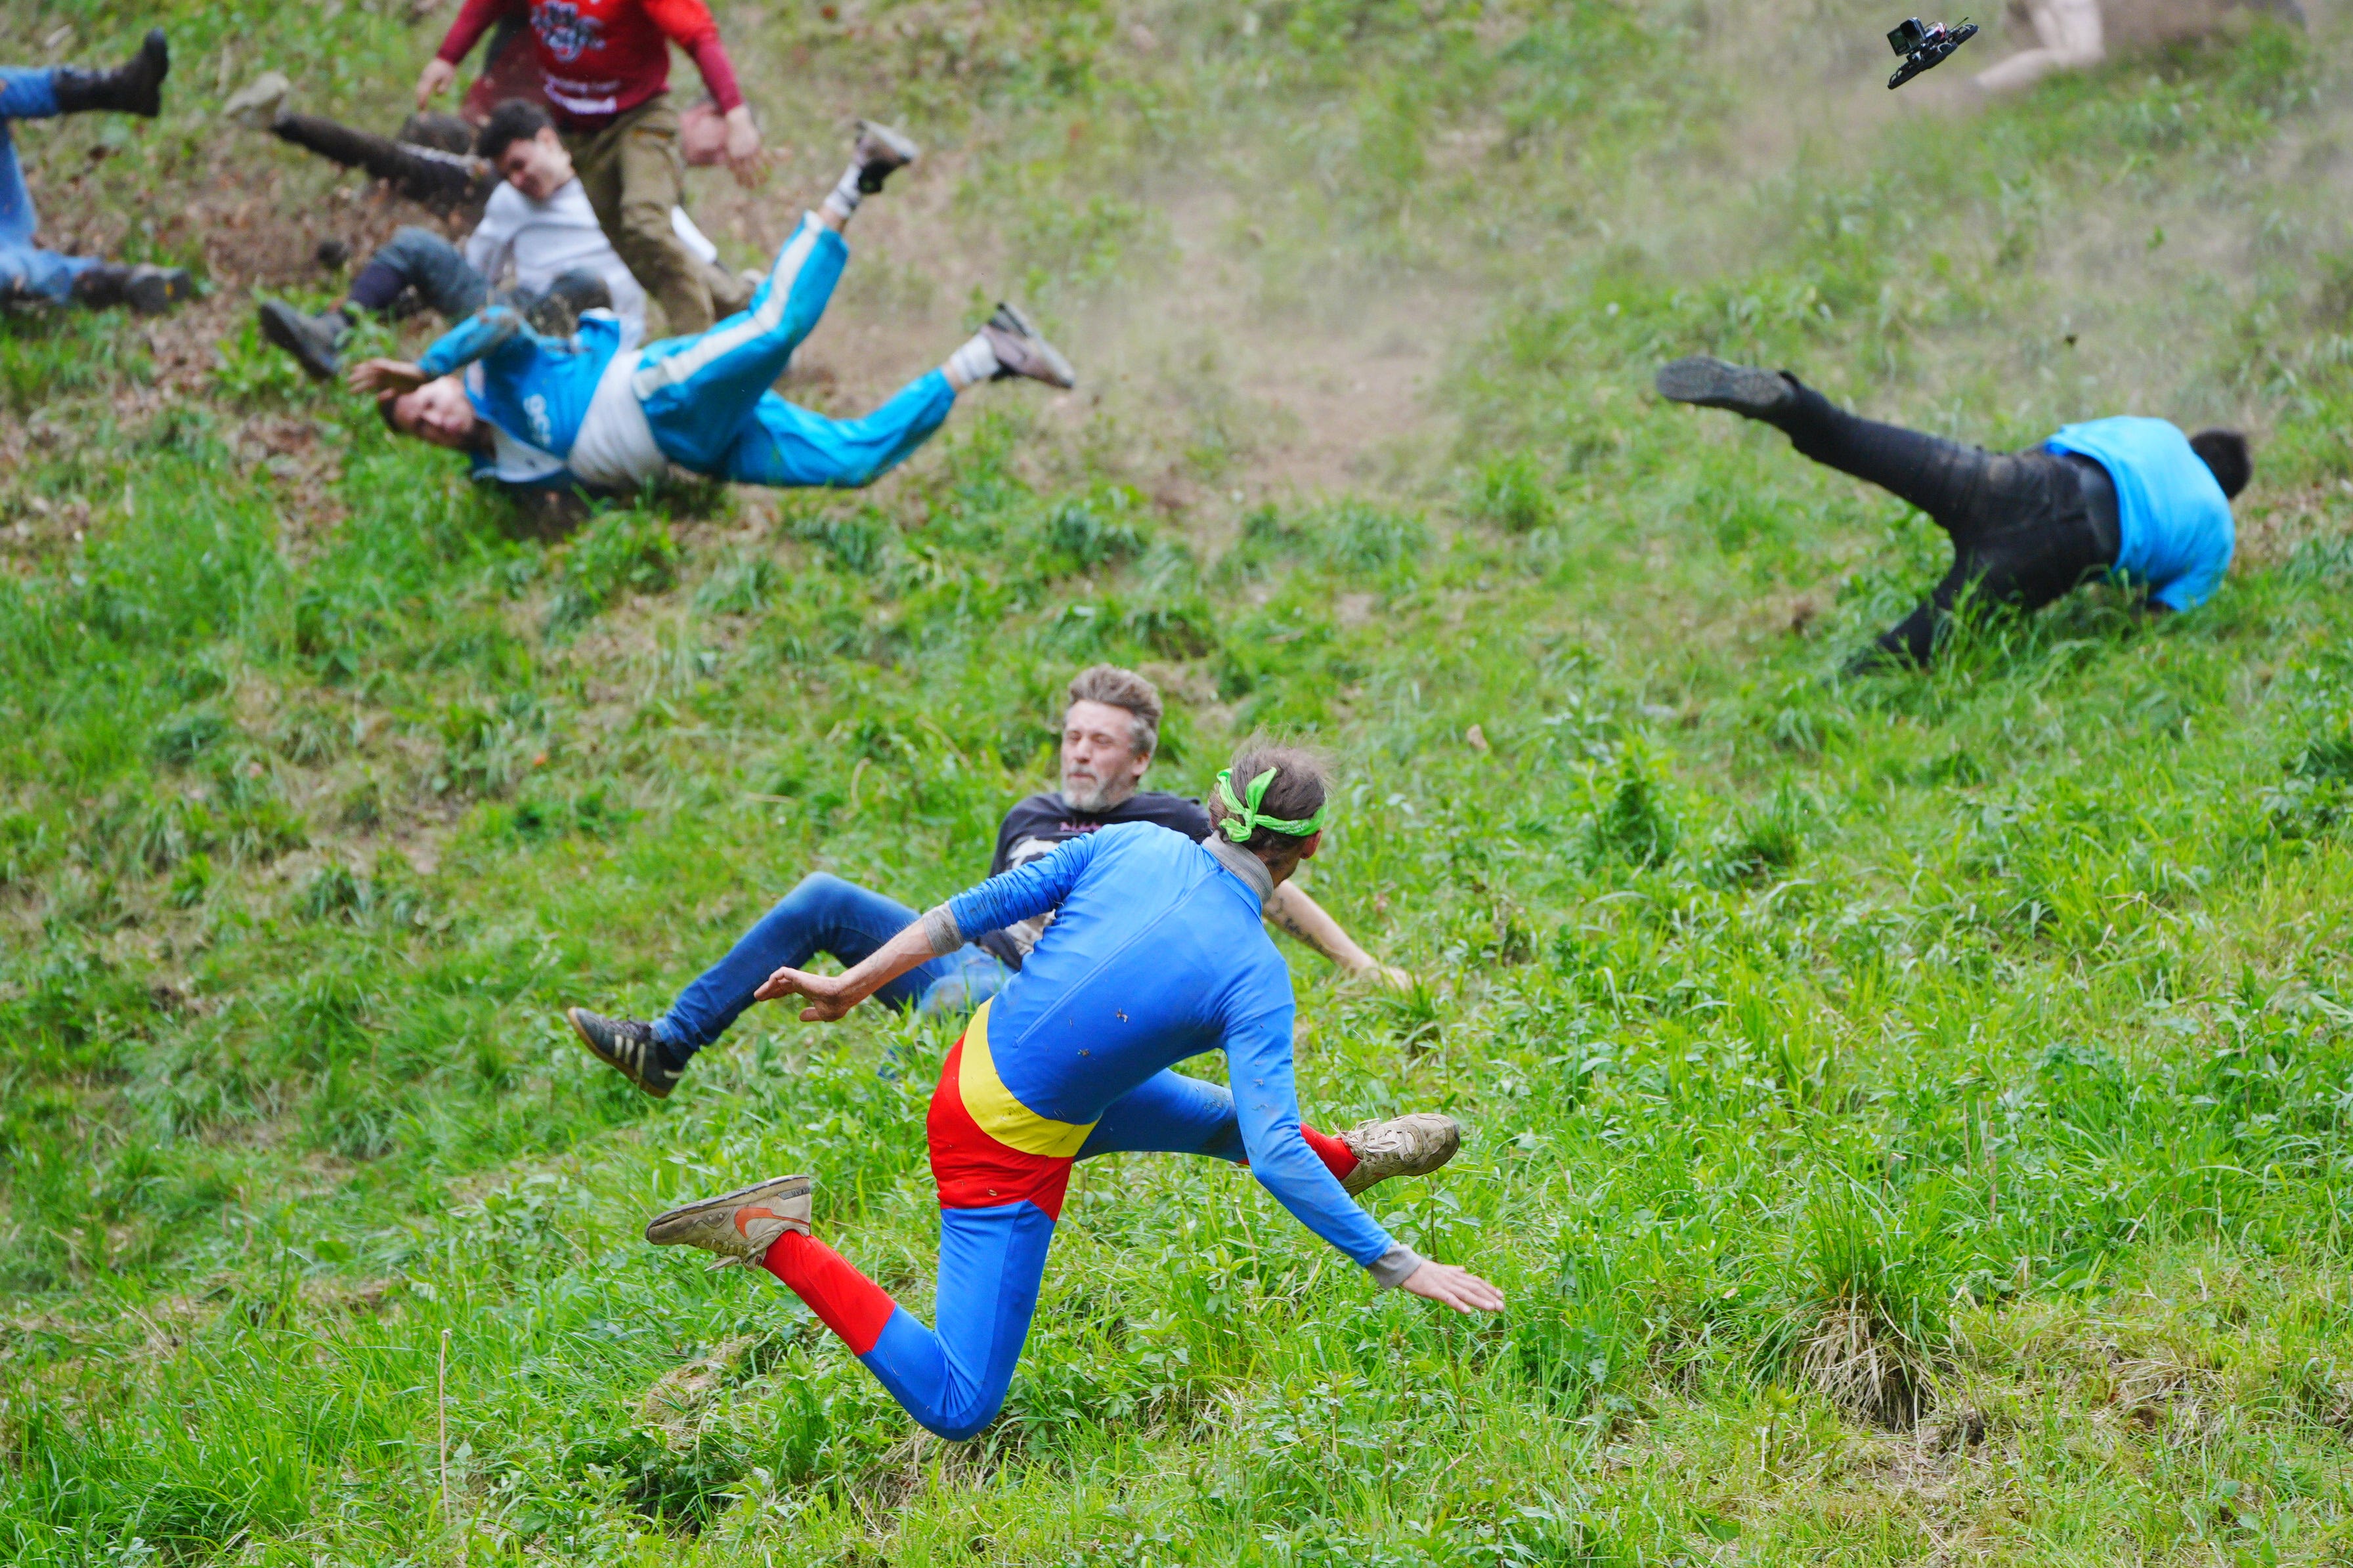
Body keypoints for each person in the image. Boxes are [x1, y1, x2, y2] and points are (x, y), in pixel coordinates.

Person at [641, 744, 1503, 1441]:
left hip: (989, 1070)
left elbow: (977, 908)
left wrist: (853, 983)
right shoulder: (1256, 976)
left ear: (1211, 808)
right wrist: (1400, 1265)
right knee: (958, 1403)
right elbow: (1279, 1154)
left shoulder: (1138, 843)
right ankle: (773, 1232)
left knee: (1233, 1127)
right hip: (997, 1143)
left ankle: (1356, 1159)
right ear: (1310, 848)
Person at [565, 665, 1415, 1097]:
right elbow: (982, 911)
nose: (1080, 749)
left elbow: (1272, 883)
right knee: (829, 899)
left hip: (1061, 992)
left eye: (1102, 740)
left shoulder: (1171, 822)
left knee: (957, 1005)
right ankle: (666, 1047)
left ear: (1141, 757)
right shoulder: (1028, 814)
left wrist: (1362, 966)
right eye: (1073, 734)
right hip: (979, 963)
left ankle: (931, 1120)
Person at [346, 123, 1054, 498]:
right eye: (423, 430)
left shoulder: (493, 376)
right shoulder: (496, 474)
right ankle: (990, 352)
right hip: (702, 449)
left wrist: (426, 365)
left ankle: (858, 174)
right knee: (853, 462)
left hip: (658, 392)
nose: (434, 421)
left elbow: (498, 322)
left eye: (426, 406)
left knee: (773, 327)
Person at [1655, 356, 2246, 667]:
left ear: (2196, 444)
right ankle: (1843, 686)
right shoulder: (2218, 530)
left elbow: (2061, 441)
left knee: (1849, 436)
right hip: (2057, 553)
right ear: (2227, 488)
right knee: (1909, 650)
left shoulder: (2160, 433)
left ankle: (1787, 400)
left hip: (2014, 480)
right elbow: (2159, 616)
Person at [258, 99, 744, 379]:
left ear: (549, 141)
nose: (517, 180)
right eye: (506, 173)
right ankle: (330, 332)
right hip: (514, 319)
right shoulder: (511, 203)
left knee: (583, 282)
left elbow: (706, 266)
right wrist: (403, 300)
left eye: (519, 164)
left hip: (591, 340)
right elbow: (472, 278)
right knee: (416, 245)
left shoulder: (625, 195)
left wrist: (753, 328)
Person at [418, 0, 764, 334]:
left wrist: (735, 112)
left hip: (639, 118)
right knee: (633, 248)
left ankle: (698, 347)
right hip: (580, 132)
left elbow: (699, 34)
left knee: (645, 223)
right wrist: (448, 57)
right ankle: (743, 305)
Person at [1, 30, 190, 315]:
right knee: (12, 269)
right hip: (9, 255)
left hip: (6, 212)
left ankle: (120, 89)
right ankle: (120, 281)